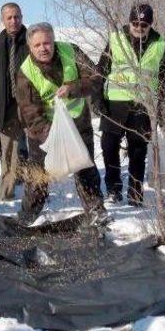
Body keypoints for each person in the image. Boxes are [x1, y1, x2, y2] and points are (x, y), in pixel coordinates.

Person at [15, 22, 108, 226]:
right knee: (38, 176)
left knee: (85, 168)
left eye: (47, 43)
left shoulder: (71, 51)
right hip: (43, 133)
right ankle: (28, 216)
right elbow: (30, 112)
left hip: (78, 125)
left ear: (54, 40)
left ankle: (96, 210)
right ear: (30, 47)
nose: (43, 48)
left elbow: (95, 78)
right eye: (37, 45)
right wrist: (52, 136)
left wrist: (72, 88)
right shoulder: (25, 72)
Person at [94, 4, 165, 206]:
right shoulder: (116, 39)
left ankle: (135, 193)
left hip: (143, 105)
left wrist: (164, 110)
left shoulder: (160, 44)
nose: (139, 27)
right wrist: (97, 99)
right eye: (135, 23)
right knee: (109, 146)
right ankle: (113, 188)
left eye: (144, 24)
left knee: (138, 151)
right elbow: (100, 71)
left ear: (150, 25)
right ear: (130, 22)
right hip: (115, 103)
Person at [0, 2, 29, 200]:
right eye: (9, 17)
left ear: (22, 17)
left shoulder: (32, 42)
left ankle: (38, 194)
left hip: (31, 106)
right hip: (6, 108)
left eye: (17, 16)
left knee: (37, 151)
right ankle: (6, 195)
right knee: (9, 154)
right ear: (2, 20)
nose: (13, 21)